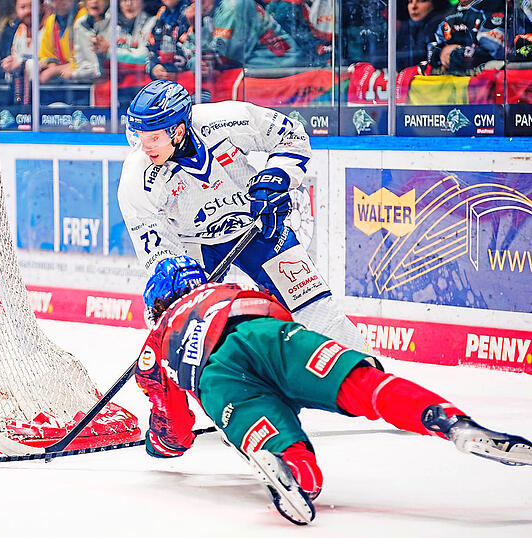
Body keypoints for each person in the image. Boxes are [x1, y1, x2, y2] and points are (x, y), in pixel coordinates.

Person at [134, 281, 532, 524]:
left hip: (218, 379)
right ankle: (451, 422)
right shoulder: (226, 289)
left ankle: (290, 467)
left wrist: (159, 443)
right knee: (366, 386)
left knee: (277, 436)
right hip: (267, 336)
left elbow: (174, 431)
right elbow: (279, 310)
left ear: (157, 308)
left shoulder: (157, 340)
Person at [118, 80, 364, 351]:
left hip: (256, 225)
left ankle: (365, 369)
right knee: (185, 325)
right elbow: (155, 245)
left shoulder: (224, 120)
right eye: (140, 136)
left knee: (315, 308)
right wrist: (174, 273)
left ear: (178, 131)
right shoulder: (137, 177)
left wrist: (276, 176)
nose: (145, 147)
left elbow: (291, 134)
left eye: (154, 138)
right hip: (194, 244)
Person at [427, 0, 505, 75]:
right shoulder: (448, 14)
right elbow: (431, 50)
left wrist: (457, 51)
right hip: (453, 78)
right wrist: (442, 52)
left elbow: (494, 51)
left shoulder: (492, 9)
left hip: (484, 78)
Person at [397, 0, 451, 70]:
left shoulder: (444, 26)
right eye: (410, 1)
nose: (413, 6)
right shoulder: (406, 29)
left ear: (435, 3)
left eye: (421, 1)